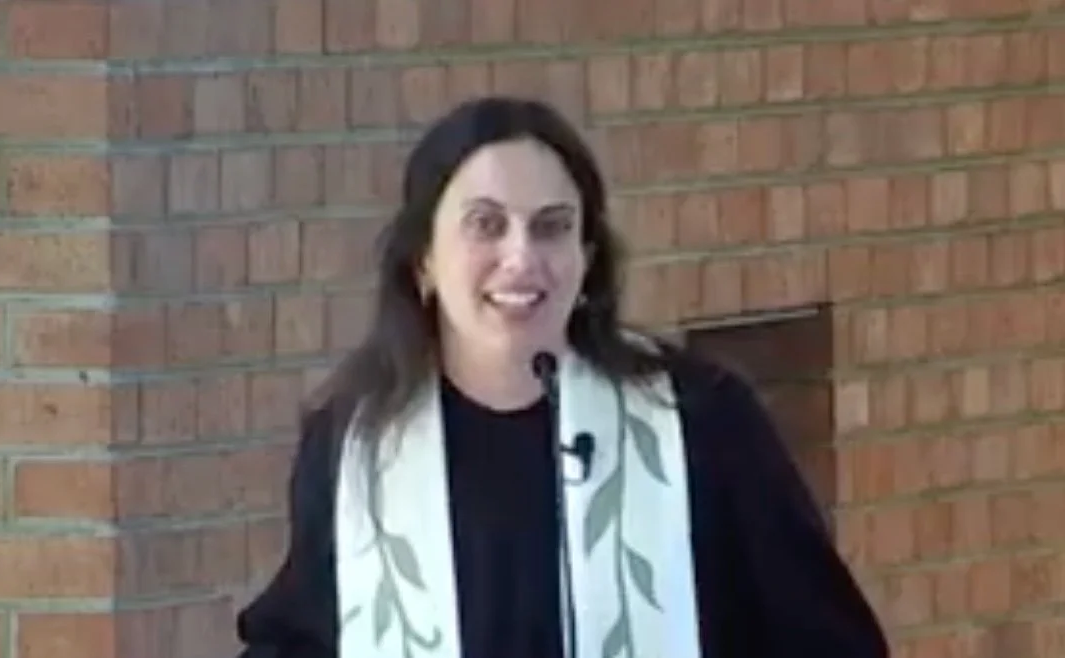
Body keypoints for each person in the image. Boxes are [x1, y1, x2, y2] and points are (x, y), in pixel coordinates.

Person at [234, 96, 889, 658]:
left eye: (552, 228)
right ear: (424, 259)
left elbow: (829, 641)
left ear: (587, 259)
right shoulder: (355, 446)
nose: (521, 258)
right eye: (486, 225)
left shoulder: (700, 418)